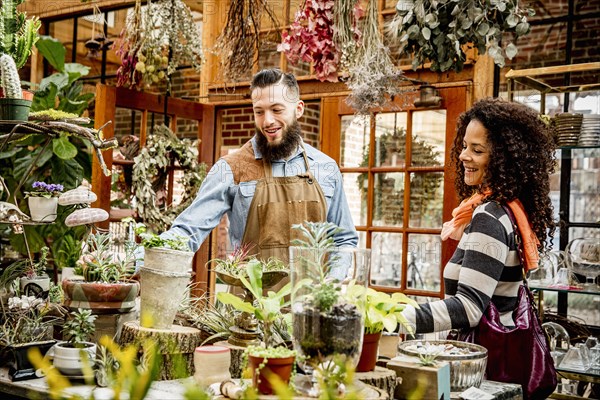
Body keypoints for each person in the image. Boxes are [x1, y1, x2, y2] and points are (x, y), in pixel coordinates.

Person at [162, 68, 357, 267]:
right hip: (249, 295)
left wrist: (328, 287)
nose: (268, 121)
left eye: (277, 110)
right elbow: (187, 231)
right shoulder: (231, 168)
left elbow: (344, 240)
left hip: (309, 297)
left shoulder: (325, 168)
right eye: (259, 112)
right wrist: (138, 257)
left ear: (298, 109)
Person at [400, 97, 555, 334]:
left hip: (482, 364)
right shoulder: (508, 209)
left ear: (504, 159)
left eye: (477, 150)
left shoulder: (489, 217)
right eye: (464, 146)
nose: (463, 156)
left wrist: (391, 318)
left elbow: (468, 308)